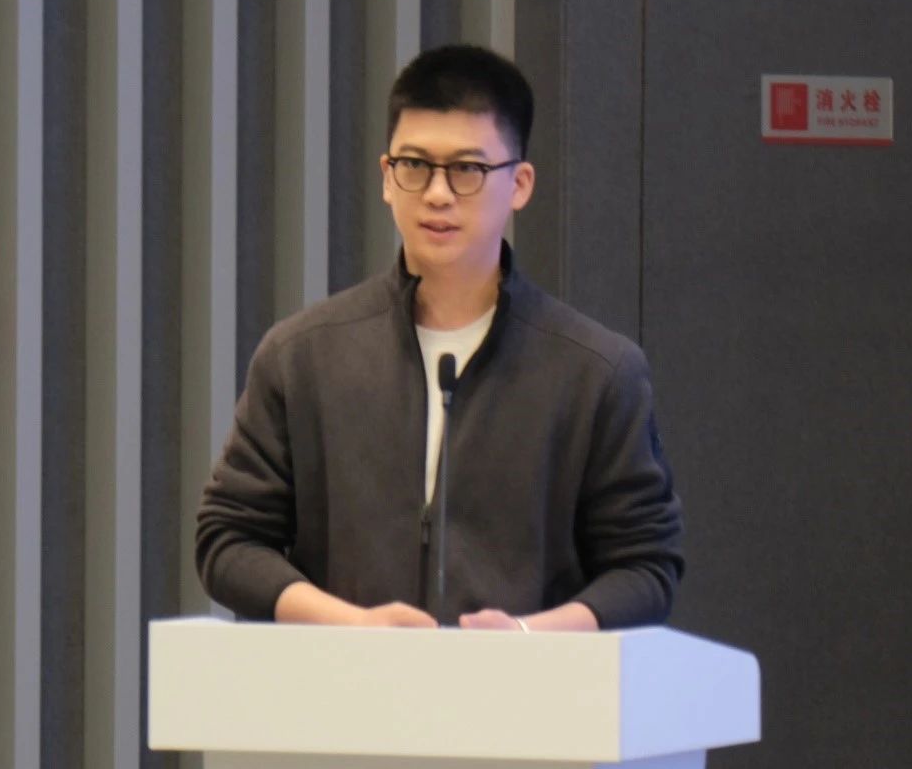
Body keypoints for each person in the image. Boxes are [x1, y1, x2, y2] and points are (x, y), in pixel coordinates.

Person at [196, 44, 682, 631]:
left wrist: (527, 637)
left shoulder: (596, 371)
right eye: (415, 165)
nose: (437, 193)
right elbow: (228, 540)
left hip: (523, 685)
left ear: (520, 183)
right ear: (387, 177)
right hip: (344, 682)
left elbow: (645, 568)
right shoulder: (301, 356)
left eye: (467, 169)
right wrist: (349, 625)